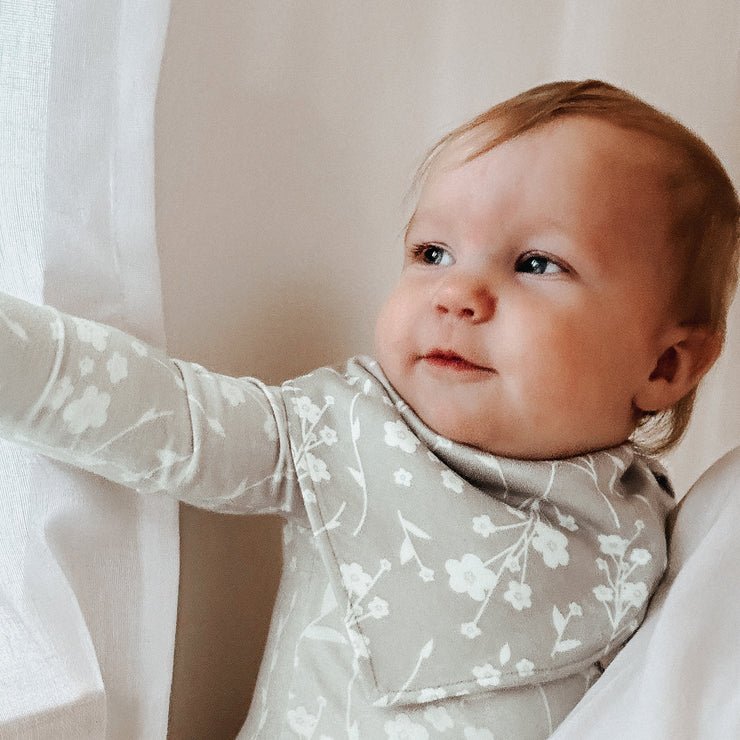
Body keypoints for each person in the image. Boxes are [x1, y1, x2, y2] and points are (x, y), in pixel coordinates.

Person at [0, 80, 737, 739]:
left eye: (536, 263)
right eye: (432, 253)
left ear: (665, 365)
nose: (456, 293)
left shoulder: (660, 531)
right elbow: (170, 415)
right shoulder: (340, 429)